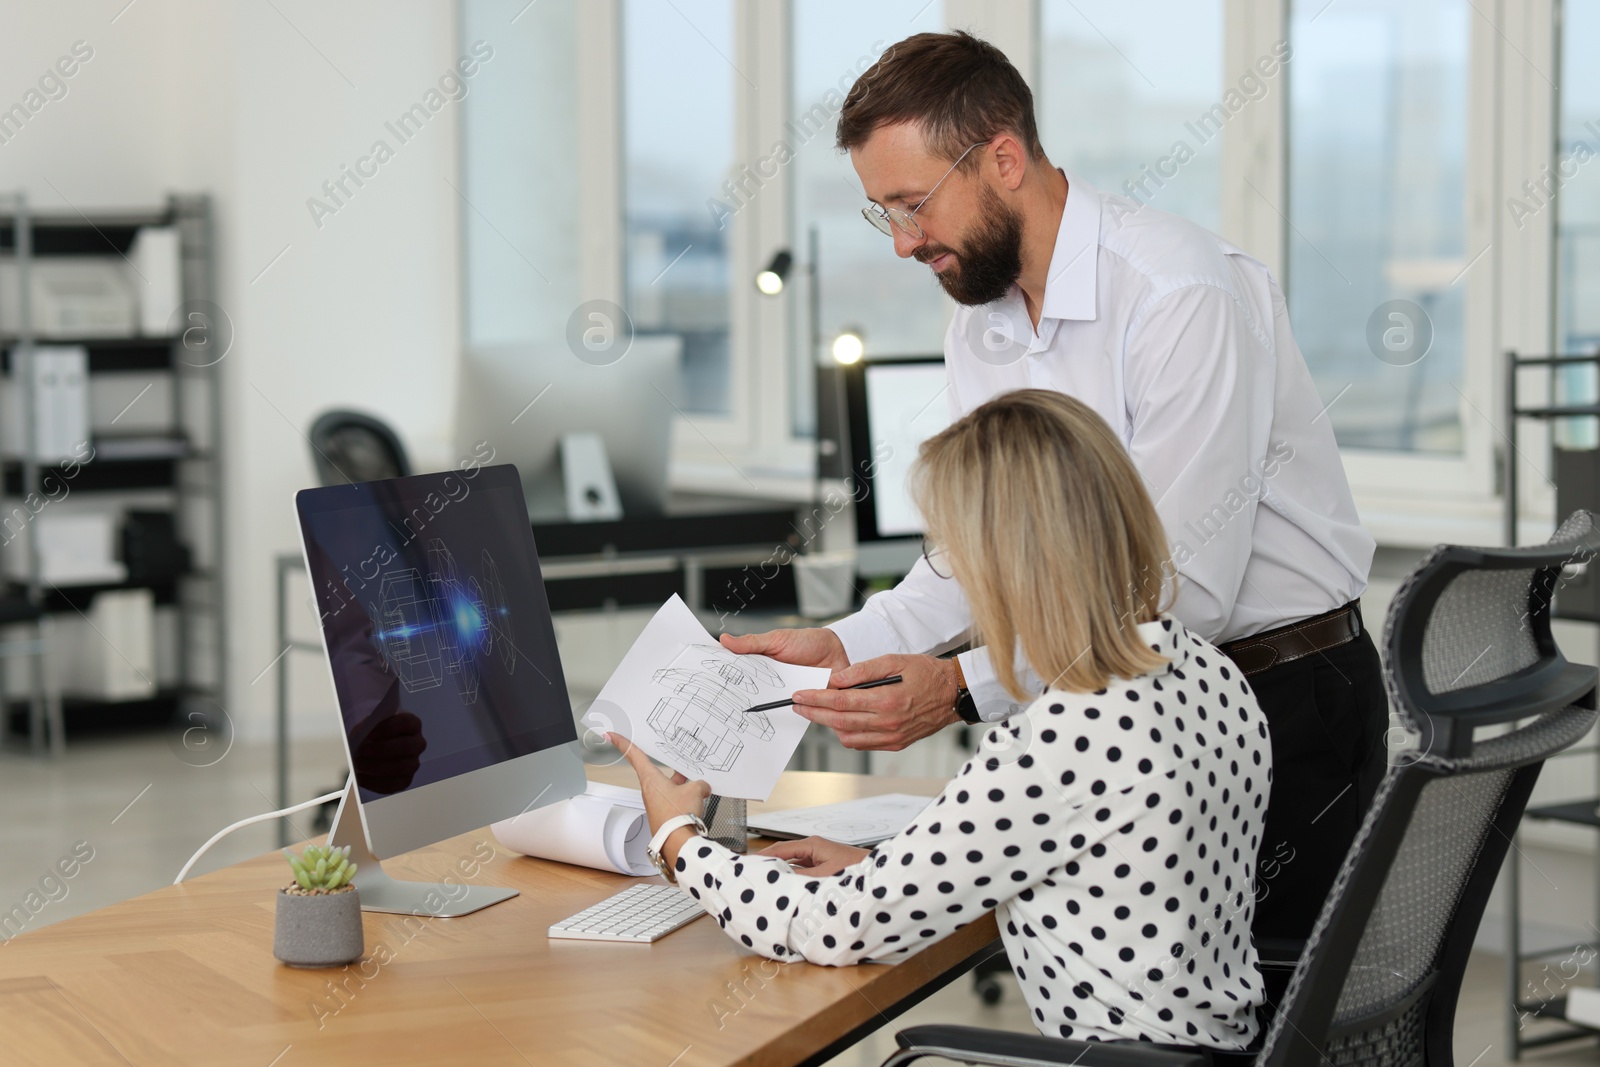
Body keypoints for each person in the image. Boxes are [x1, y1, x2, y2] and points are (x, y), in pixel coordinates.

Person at [721, 31, 1383, 943]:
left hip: (1279, 700)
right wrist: (846, 641)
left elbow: (1176, 590)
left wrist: (962, 685)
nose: (906, 244)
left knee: (1263, 1026)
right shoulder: (981, 323)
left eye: (914, 205)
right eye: (885, 214)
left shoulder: (1177, 294)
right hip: (1124, 713)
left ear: (1002, 158)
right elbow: (972, 557)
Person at [612, 390, 1273, 1047]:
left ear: (1002, 561)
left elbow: (836, 926)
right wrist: (887, 867)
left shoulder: (1062, 738)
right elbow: (1080, 861)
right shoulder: (1209, 674)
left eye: (948, 549)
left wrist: (677, 837)